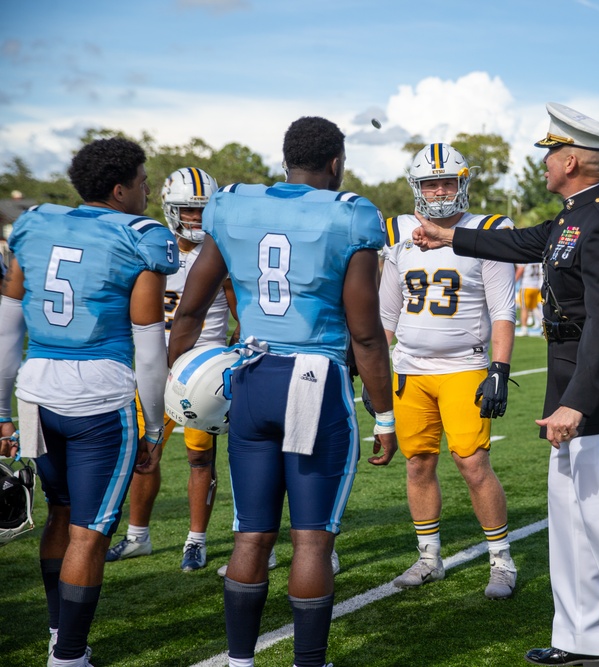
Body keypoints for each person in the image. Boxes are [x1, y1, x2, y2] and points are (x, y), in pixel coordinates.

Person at [412, 102, 599, 667]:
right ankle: (583, 640)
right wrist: (449, 238)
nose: (545, 163)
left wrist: (577, 403)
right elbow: (524, 243)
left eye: (553, 154)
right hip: (570, 372)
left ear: (577, 161)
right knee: (569, 511)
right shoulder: (572, 215)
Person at [166, 116, 397, 667]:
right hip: (314, 377)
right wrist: (385, 415)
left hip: (251, 374)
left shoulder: (234, 205)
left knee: (251, 536)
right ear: (336, 162)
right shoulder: (350, 214)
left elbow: (191, 311)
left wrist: (178, 378)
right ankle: (308, 662)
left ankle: (240, 661)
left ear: (286, 158)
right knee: (312, 540)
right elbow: (365, 331)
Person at [0, 137, 179, 667]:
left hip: (34, 392)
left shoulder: (35, 224)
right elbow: (149, 350)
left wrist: (1, 412)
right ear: (120, 188)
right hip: (99, 396)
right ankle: (69, 656)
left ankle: (61, 634)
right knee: (91, 530)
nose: (148, 191)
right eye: (144, 181)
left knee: (59, 513)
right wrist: (153, 428)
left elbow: (7, 329)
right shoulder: (141, 238)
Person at [380, 142, 518, 599]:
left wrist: (499, 368)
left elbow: (502, 310)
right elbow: (386, 314)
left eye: (447, 181)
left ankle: (501, 560)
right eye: (429, 183)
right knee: (418, 462)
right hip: (409, 369)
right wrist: (378, 372)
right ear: (415, 187)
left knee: (473, 463)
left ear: (463, 183)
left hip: (464, 366)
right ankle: (429, 557)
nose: (439, 191)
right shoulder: (398, 232)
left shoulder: (489, 231)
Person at [105, 167, 239, 572]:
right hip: (152, 371)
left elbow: (242, 313)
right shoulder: (150, 246)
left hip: (201, 377)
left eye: (203, 211)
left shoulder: (222, 253)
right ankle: (137, 536)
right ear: (170, 208)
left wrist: (230, 355)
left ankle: (195, 541)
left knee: (201, 456)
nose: (196, 219)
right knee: (146, 455)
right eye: (188, 210)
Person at [516, 262, 544, 336]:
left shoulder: (524, 258)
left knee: (524, 308)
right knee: (534, 308)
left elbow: (520, 270)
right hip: (536, 286)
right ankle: (543, 324)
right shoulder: (535, 258)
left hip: (526, 286)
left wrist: (514, 281)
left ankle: (524, 329)